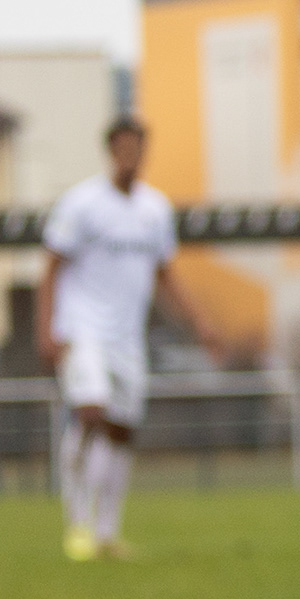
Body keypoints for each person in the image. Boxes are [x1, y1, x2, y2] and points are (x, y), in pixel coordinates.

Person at [37, 115, 202, 563]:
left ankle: (107, 531)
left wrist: (199, 325)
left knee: (122, 431)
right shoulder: (81, 205)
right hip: (82, 331)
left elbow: (165, 275)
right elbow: (51, 266)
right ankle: (77, 524)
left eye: (138, 148)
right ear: (111, 151)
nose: (131, 156)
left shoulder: (155, 210)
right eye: (123, 148)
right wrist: (47, 328)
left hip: (128, 339)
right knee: (90, 413)